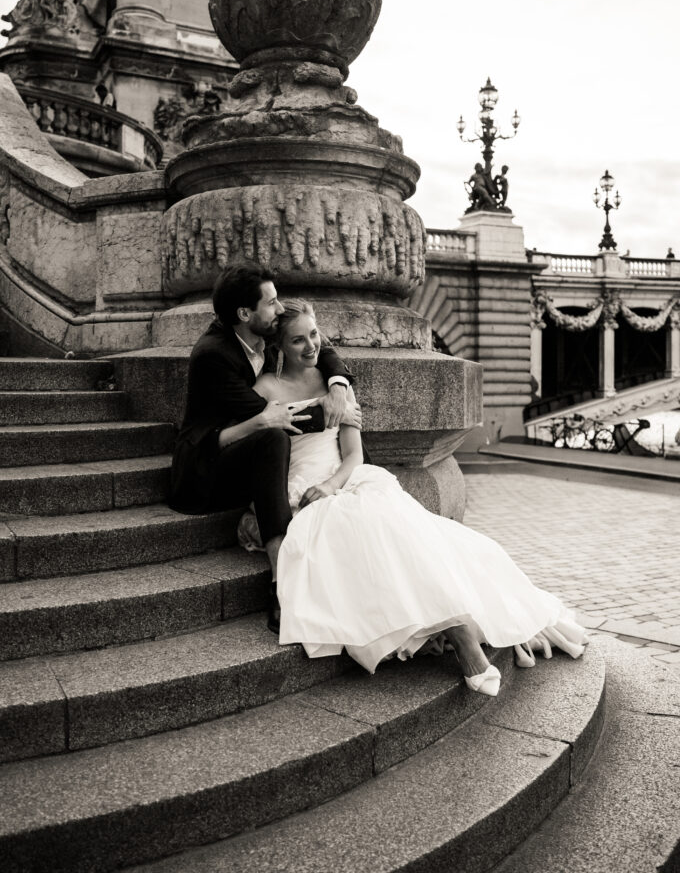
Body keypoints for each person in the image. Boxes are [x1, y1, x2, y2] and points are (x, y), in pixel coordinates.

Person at [252, 300, 587, 697]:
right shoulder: (265, 390)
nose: (311, 346)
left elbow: (354, 454)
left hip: (345, 478)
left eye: (314, 335)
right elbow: (256, 448)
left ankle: (458, 629)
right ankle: (459, 633)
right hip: (299, 490)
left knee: (396, 523)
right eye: (298, 340)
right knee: (367, 528)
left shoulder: (335, 384)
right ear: (279, 346)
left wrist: (334, 484)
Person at [168, 266, 360, 633]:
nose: (278, 308)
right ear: (244, 314)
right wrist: (335, 412)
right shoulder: (214, 356)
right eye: (271, 303)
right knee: (272, 435)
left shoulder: (267, 333)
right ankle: (280, 582)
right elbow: (276, 417)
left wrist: (337, 384)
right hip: (205, 465)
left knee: (277, 438)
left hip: (258, 445)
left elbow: (321, 346)